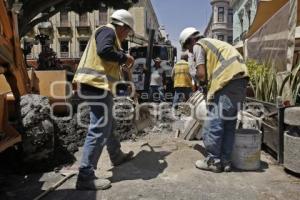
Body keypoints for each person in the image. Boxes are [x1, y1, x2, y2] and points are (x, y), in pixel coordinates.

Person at [73, 9, 135, 190]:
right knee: (99, 128)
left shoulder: (111, 36)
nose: (126, 36)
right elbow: (104, 51)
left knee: (109, 123)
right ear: (122, 26)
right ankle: (85, 175)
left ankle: (116, 155)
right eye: (128, 32)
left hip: (98, 86)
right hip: (95, 86)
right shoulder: (107, 31)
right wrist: (125, 56)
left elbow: (111, 64)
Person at [179, 27, 249, 173]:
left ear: (191, 40)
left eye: (187, 47)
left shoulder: (199, 45)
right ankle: (226, 161)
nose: (189, 51)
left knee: (213, 123)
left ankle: (213, 161)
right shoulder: (215, 44)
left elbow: (202, 74)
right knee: (229, 123)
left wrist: (201, 84)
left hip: (226, 81)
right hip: (240, 81)